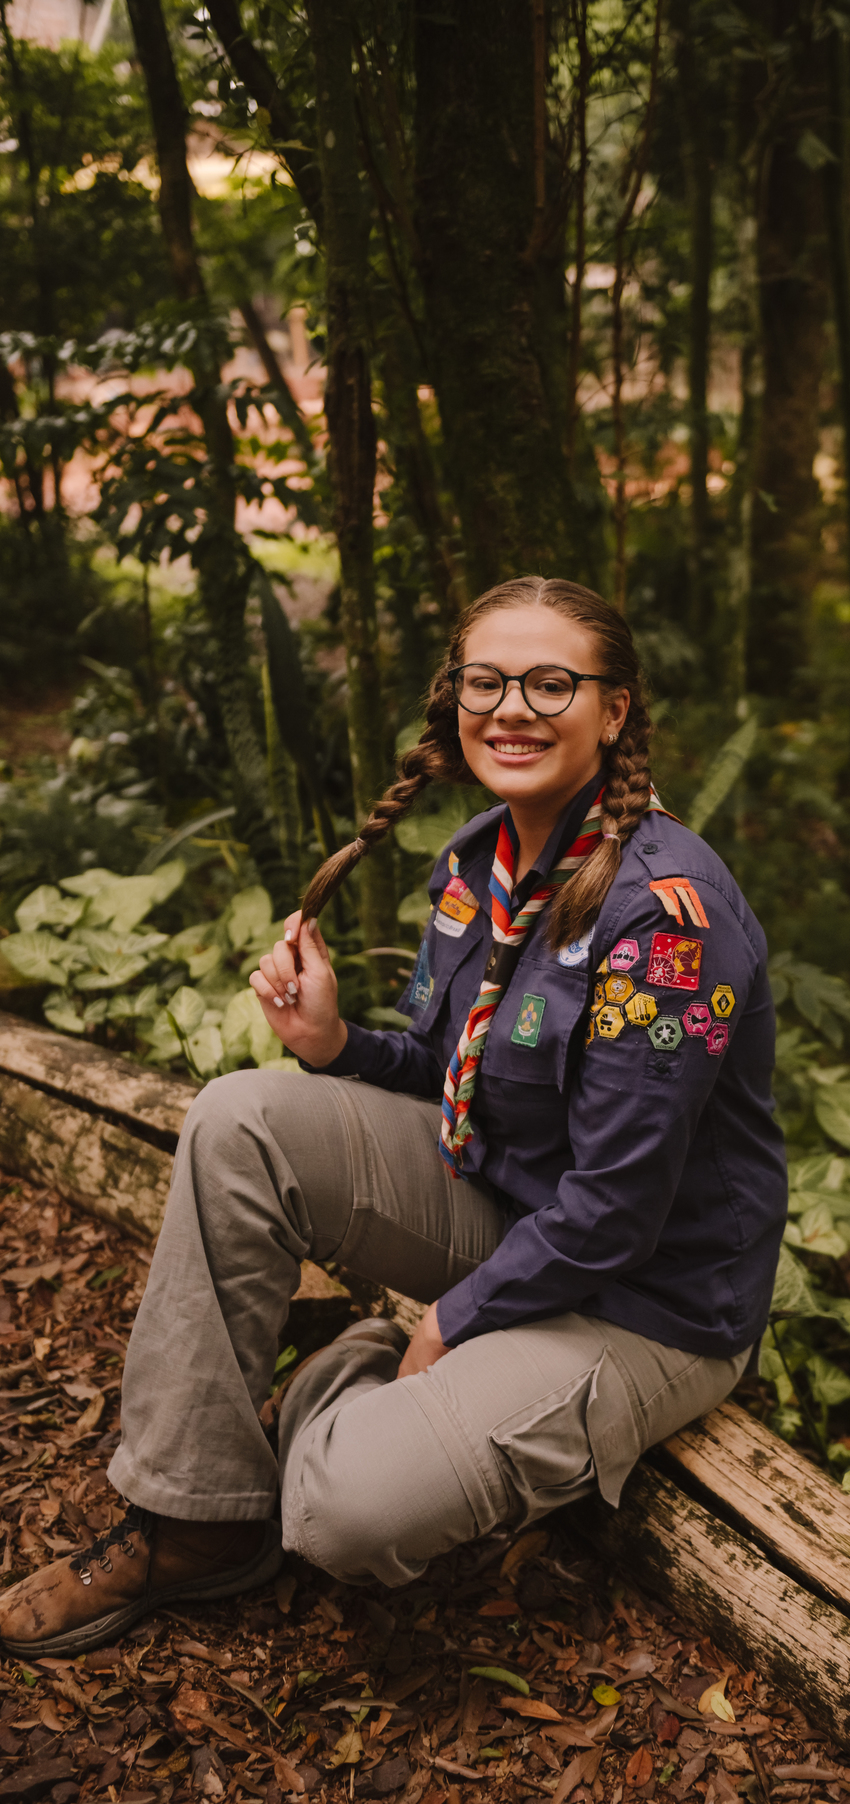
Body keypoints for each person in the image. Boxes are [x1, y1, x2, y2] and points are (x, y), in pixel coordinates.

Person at [0, 576, 787, 1658]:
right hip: (511, 1206)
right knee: (241, 1118)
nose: (512, 707)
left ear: (615, 711)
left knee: (340, 1513)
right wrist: (334, 1045)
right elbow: (447, 1068)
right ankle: (194, 1519)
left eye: (551, 682)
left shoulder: (663, 916)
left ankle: (344, 1373)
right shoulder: (480, 861)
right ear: (454, 700)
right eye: (486, 680)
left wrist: (447, 1319)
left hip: (645, 1297)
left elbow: (617, 1211)